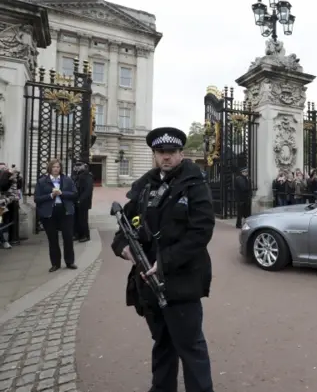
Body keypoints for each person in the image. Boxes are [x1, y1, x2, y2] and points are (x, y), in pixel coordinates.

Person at [111, 127, 215, 392]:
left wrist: (165, 261)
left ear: (180, 153)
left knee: (191, 347)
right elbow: (122, 232)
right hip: (148, 281)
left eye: (171, 152)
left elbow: (201, 231)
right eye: (161, 152)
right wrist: (124, 248)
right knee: (162, 344)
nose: (166, 157)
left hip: (181, 279)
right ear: (154, 155)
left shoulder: (194, 184)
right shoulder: (145, 186)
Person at [34, 159, 77, 272]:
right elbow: (37, 199)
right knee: (53, 239)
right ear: (50, 168)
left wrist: (62, 193)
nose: (56, 169)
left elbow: (74, 194)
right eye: (54, 167)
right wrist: (50, 195)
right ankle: (55, 263)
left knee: (68, 237)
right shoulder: (42, 181)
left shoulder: (67, 180)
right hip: (50, 213)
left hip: (65, 211)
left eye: (58, 167)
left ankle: (69, 262)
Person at [73, 160, 94, 242]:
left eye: (79, 165)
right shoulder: (76, 175)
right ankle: (77, 234)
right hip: (76, 200)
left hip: (83, 201)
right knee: (76, 219)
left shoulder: (87, 175)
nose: (77, 167)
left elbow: (88, 190)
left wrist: (80, 200)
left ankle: (85, 235)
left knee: (83, 219)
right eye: (76, 165)